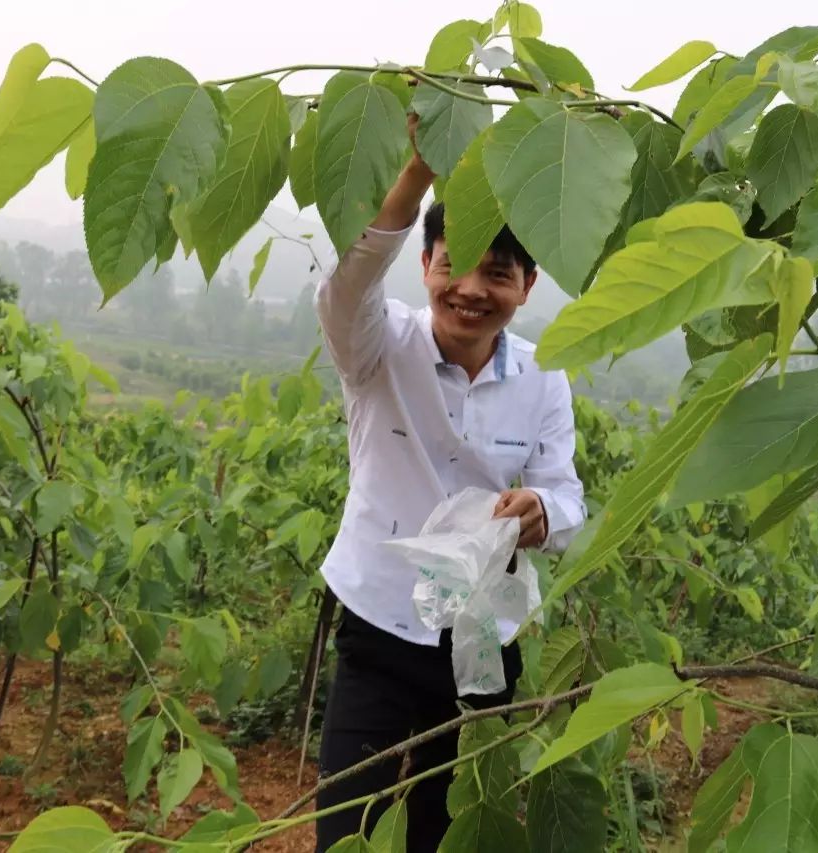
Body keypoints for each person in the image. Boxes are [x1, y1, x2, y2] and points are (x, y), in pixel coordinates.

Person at [312, 116, 587, 852]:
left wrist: (540, 511)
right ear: (426, 262)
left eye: (497, 272)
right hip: (378, 620)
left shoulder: (544, 376)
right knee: (348, 822)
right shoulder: (379, 349)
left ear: (527, 286)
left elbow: (566, 496)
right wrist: (418, 172)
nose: (470, 290)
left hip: (480, 636)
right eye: (453, 263)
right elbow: (346, 287)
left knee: (453, 826)